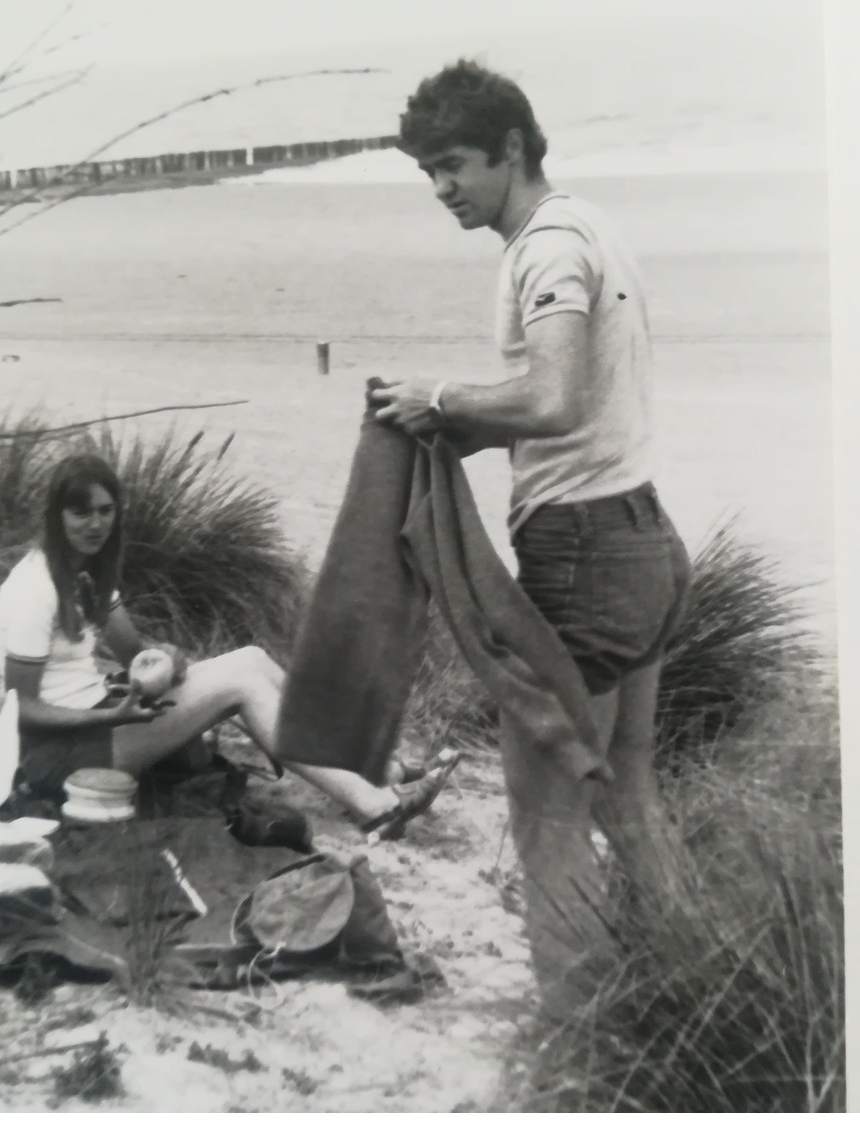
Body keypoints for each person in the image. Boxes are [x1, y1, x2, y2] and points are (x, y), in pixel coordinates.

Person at [370, 60, 691, 1014]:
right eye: (427, 172)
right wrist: (468, 428)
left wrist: (441, 398)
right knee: (626, 794)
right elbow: (582, 403)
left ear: (513, 146)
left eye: (456, 165)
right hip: (645, 538)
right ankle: (696, 980)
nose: (442, 190)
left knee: (545, 812)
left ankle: (576, 1034)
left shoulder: (545, 250)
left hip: (588, 557)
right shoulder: (590, 226)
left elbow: (552, 398)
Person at [0, 452, 455, 839]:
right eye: (81, 512)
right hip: (56, 755)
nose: (95, 525)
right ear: (57, 516)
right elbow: (20, 708)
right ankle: (375, 807)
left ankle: (377, 768)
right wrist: (107, 716)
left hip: (98, 717)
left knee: (251, 659)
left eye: (105, 511)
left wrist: (168, 658)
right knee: (242, 686)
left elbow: (135, 655)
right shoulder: (37, 588)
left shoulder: (87, 573)